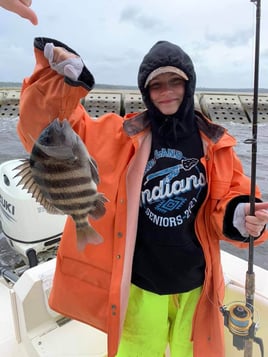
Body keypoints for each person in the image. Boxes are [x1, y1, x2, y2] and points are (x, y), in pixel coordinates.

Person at [17, 37, 268, 357]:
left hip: (197, 286)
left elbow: (230, 195)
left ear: (189, 85)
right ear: (145, 91)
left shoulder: (215, 142)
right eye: (156, 85)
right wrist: (64, 77)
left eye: (174, 82)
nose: (166, 92)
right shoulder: (121, 134)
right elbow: (47, 131)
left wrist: (240, 214)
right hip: (140, 284)